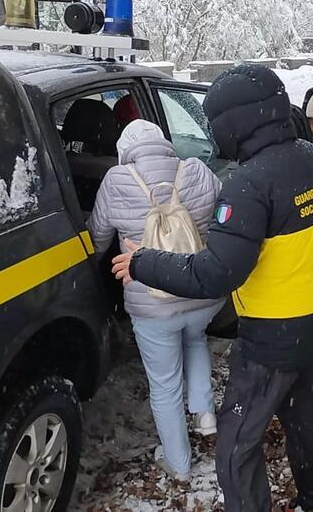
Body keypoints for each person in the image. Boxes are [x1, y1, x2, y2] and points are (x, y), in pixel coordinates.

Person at [111, 65, 313, 512]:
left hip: (273, 341)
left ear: (233, 123)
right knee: (306, 423)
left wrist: (142, 262)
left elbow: (215, 274)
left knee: (237, 445)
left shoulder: (248, 184)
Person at [87, 119, 224, 481]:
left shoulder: (116, 180)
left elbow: (98, 239)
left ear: (125, 150)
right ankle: (204, 412)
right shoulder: (197, 170)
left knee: (164, 383)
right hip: (203, 293)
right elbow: (224, 216)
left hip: (153, 304)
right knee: (194, 337)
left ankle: (178, 463)